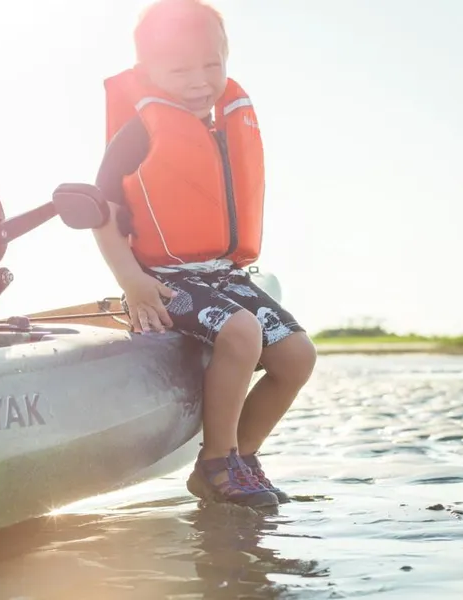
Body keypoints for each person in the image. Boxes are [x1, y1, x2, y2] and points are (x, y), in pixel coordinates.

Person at [92, 0, 317, 508]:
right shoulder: (140, 131)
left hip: (223, 274)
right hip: (163, 279)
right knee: (241, 332)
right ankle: (215, 462)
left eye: (212, 65)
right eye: (180, 69)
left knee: (298, 356)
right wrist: (131, 281)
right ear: (147, 72)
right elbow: (100, 213)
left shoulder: (221, 123)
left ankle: (243, 457)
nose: (200, 80)